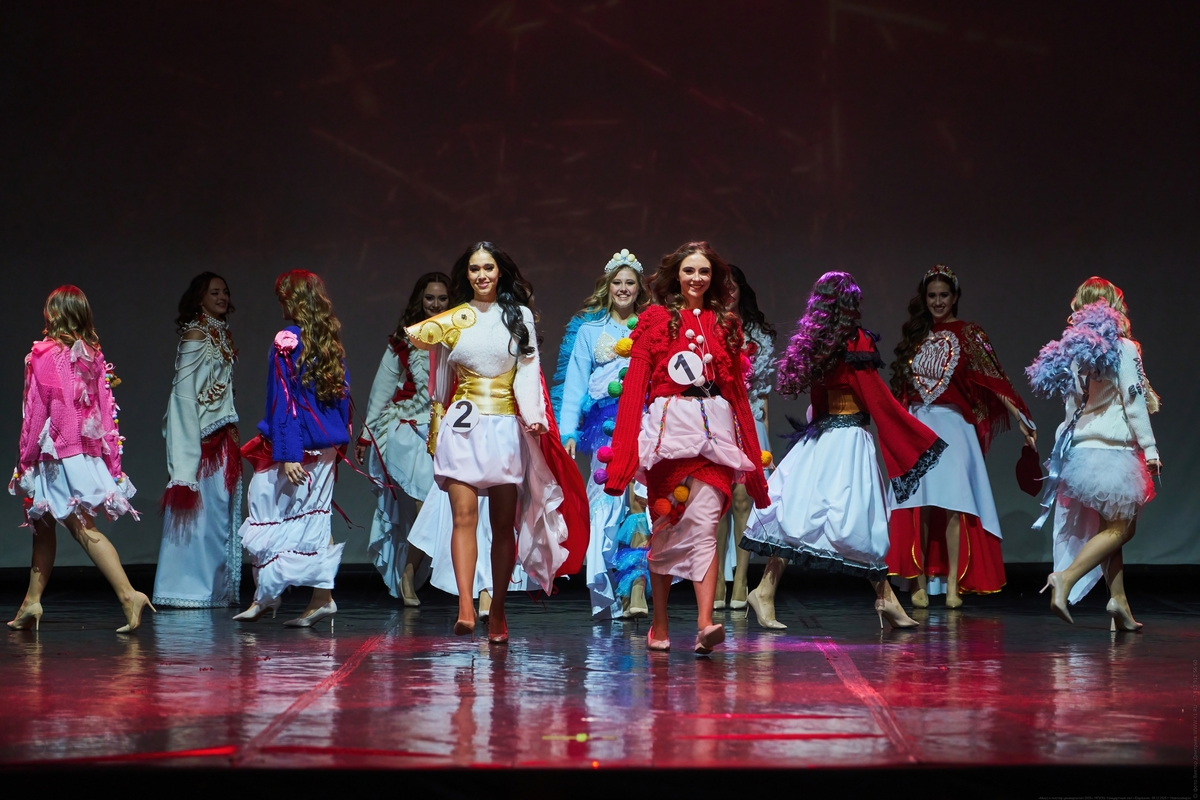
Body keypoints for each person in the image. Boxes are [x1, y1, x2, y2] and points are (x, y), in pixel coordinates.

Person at [740, 271, 945, 629]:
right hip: (846, 440)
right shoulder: (854, 341)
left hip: (824, 438)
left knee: (801, 517)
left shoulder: (818, 343)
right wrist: (912, 435)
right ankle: (769, 591)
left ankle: (769, 590)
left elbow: (822, 399)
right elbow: (876, 396)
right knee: (854, 521)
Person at [406, 241, 587, 644]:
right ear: (466, 274)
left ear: (499, 271)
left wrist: (535, 415)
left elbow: (527, 368)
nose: (482, 275)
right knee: (463, 517)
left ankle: (499, 607)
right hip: (462, 427)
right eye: (474, 269)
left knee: (503, 526)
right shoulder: (453, 319)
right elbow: (441, 384)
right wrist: (437, 429)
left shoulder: (518, 315)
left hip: (504, 426)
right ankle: (465, 606)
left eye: (488, 267)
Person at [604, 241, 769, 654]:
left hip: (715, 436)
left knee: (706, 525)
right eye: (689, 270)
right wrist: (623, 460)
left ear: (714, 277)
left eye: (704, 271)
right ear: (676, 275)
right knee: (667, 527)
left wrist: (754, 467)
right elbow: (635, 387)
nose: (697, 278)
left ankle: (704, 622)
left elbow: (737, 393)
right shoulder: (656, 320)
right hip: (669, 436)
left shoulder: (725, 324)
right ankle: (659, 623)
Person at [886, 265, 1035, 608]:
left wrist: (1020, 416)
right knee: (919, 505)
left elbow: (994, 378)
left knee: (955, 505)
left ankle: (953, 585)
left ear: (955, 297)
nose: (937, 302)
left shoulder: (969, 333)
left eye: (944, 295)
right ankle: (918, 581)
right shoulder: (917, 335)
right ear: (924, 298)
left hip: (954, 427)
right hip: (919, 426)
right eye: (932, 296)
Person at [8, 285, 151, 633]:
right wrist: (112, 463)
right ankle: (31, 602)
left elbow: (35, 411)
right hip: (81, 452)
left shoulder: (43, 354)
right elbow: (107, 413)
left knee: (81, 527)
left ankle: (128, 594)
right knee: (43, 525)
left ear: (54, 314)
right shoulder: (93, 355)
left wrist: (25, 459)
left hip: (56, 455)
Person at [1026, 278, 1160, 631]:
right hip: (1112, 451)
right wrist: (1150, 448)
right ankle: (1066, 578)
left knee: (1108, 528)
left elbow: (1071, 409)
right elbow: (1134, 400)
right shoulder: (1124, 348)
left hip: (1083, 453)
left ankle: (1119, 603)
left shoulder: (1075, 353)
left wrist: (1065, 452)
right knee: (1122, 528)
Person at [234, 270, 351, 627]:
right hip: (322, 444)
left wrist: (289, 453)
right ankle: (271, 596)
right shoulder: (326, 339)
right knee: (303, 513)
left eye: (283, 297)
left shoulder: (289, 341)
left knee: (279, 509)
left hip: (302, 444)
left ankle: (312, 599)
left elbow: (284, 402)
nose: (281, 304)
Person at [552, 248, 651, 618]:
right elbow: (575, 384)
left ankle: (636, 590)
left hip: (642, 425)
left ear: (639, 289)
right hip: (604, 430)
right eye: (617, 282)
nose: (623, 288)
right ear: (607, 287)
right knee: (607, 504)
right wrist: (568, 432)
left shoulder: (650, 328)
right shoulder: (589, 331)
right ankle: (613, 587)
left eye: (630, 283)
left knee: (639, 501)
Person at [354, 272, 451, 606]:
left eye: (442, 298)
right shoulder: (404, 339)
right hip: (409, 430)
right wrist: (366, 435)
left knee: (448, 508)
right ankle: (408, 575)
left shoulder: (461, 336)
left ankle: (418, 573)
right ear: (419, 301)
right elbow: (382, 389)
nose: (435, 304)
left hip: (449, 429)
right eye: (429, 298)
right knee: (427, 504)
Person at [153, 272, 243, 609]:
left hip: (222, 436)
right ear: (200, 298)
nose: (222, 297)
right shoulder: (196, 335)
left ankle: (212, 591)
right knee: (199, 518)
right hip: (203, 441)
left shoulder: (219, 334)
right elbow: (183, 398)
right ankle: (186, 590)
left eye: (225, 291)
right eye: (214, 292)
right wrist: (186, 458)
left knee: (216, 518)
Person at [714, 264, 776, 611]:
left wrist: (767, 444)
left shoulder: (758, 336)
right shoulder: (706, 327)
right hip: (716, 420)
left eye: (733, 286)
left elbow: (763, 393)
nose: (729, 292)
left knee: (742, 500)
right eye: (723, 286)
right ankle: (716, 581)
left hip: (750, 420)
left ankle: (740, 579)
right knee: (718, 500)